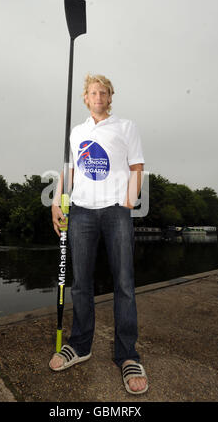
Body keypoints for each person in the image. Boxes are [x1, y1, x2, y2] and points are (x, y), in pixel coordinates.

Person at [49, 74, 148, 394]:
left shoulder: (125, 127)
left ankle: (127, 354)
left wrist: (128, 203)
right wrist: (57, 200)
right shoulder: (77, 132)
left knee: (124, 283)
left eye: (103, 92)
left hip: (115, 210)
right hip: (80, 210)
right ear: (86, 97)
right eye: (93, 92)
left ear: (110, 97)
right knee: (81, 283)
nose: (98, 96)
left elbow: (137, 167)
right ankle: (79, 345)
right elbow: (70, 169)